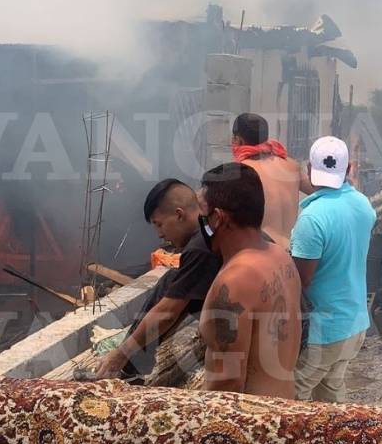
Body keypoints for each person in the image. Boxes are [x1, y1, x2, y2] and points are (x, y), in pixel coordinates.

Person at [95, 179, 221, 379]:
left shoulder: (200, 247)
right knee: (172, 278)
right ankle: (132, 365)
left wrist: (120, 354)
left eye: (159, 224)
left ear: (179, 215)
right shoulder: (209, 230)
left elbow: (167, 313)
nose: (160, 234)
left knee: (169, 286)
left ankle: (131, 370)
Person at [197, 163, 302, 398]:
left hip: (253, 426)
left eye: (203, 213)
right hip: (284, 409)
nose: (200, 220)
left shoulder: (234, 283)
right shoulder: (280, 257)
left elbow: (227, 385)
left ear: (217, 218)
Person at [290, 136, 376, 402]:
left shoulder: (312, 219)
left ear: (308, 170)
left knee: (291, 396)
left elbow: (300, 280)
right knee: (330, 395)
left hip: (324, 331)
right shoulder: (363, 205)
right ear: (349, 168)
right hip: (354, 324)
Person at [230, 113, 304, 248]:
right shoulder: (292, 166)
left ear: (238, 140)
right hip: (292, 253)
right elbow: (322, 188)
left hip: (264, 254)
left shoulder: (241, 172)